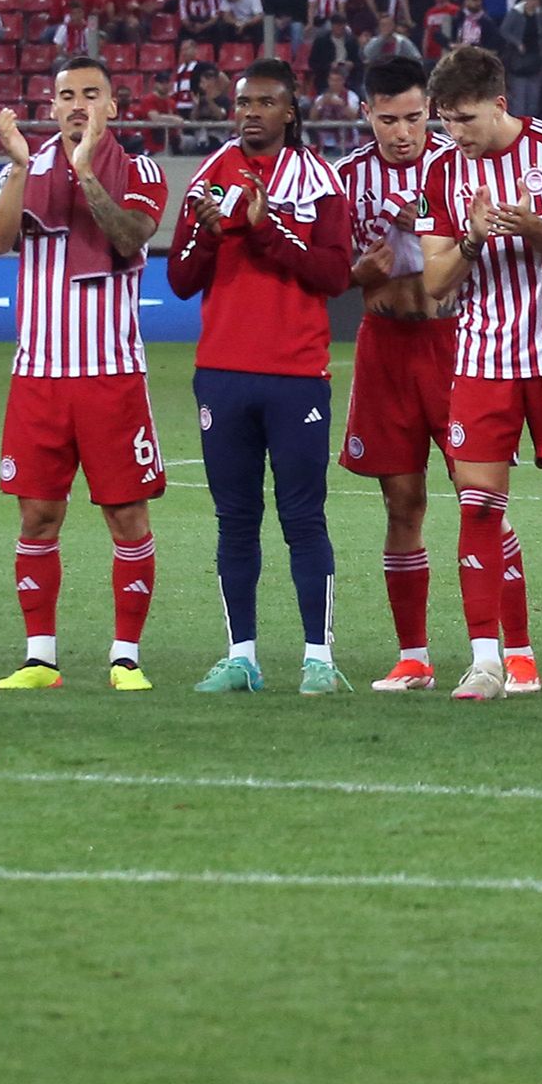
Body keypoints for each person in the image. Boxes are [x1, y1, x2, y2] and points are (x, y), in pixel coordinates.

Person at [417, 45, 542, 698]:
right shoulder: (440, 171)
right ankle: (485, 661)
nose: (455, 134)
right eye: (445, 120)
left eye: (465, 119)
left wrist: (535, 229)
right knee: (477, 508)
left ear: (499, 105)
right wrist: (471, 240)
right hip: (482, 361)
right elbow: (434, 287)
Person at [167, 58, 354, 692]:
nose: (251, 112)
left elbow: (333, 274)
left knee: (304, 517)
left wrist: (266, 229)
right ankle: (241, 655)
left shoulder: (320, 181)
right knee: (235, 517)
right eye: (245, 101)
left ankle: (318, 660)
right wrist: (213, 232)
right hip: (221, 373)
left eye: (266, 102)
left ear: (291, 113)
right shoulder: (210, 174)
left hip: (296, 374)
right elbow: (181, 278)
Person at [0, 55, 170, 691]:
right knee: (37, 516)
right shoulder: (29, 165)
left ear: (112, 107)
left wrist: (86, 171)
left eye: (91, 94)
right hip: (38, 374)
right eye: (66, 95)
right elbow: (1, 240)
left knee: (127, 519)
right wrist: (14, 167)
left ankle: (126, 657)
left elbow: (128, 235)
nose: (77, 105)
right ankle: (40, 658)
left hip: (111, 375)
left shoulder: (138, 168)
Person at [334, 55, 469, 690]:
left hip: (456, 344)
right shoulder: (343, 180)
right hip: (385, 347)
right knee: (401, 502)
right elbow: (325, 272)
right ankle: (413, 656)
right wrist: (354, 274)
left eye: (414, 117)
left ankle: (500, 652)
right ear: (367, 114)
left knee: (480, 495)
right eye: (388, 119)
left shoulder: (459, 164)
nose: (402, 131)